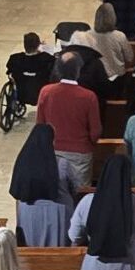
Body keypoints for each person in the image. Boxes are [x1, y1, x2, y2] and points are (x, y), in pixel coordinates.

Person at [35, 49, 101, 196]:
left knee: (56, 193)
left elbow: (40, 124)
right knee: (79, 195)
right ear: (78, 70)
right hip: (80, 154)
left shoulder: (46, 92)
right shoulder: (88, 96)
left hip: (53, 151)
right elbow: (95, 131)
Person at [9, 122, 74, 247]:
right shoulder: (62, 164)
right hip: (58, 212)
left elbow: (17, 190)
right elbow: (74, 187)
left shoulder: (23, 163)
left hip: (29, 212)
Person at [86, 2, 134, 79]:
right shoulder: (119, 36)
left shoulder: (88, 35)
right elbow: (129, 58)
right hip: (118, 78)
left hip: (97, 79)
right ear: (113, 17)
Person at [6, 31, 55, 107]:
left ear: (25, 45)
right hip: (41, 92)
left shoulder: (15, 59)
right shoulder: (46, 59)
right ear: (38, 45)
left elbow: (9, 72)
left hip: (22, 93)